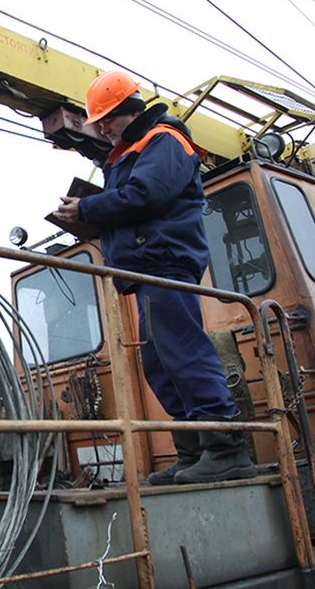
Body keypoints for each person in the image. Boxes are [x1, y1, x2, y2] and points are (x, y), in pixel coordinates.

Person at [53, 71, 256, 485]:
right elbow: (135, 201)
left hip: (164, 264)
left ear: (128, 111)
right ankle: (194, 449)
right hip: (145, 269)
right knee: (161, 362)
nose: (102, 128)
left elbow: (147, 195)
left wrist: (88, 210)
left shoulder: (165, 141)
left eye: (106, 119)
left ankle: (226, 449)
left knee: (183, 351)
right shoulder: (132, 151)